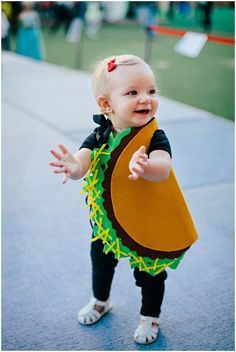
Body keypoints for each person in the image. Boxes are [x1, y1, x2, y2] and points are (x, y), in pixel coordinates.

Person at [49, 54, 198, 345]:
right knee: (100, 260)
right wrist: (73, 167)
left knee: (150, 271)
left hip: (145, 219)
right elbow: (83, 162)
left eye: (151, 91)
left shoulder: (154, 137)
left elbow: (163, 167)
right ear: (106, 105)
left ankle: (149, 315)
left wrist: (146, 167)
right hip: (108, 221)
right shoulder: (100, 135)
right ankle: (100, 301)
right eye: (133, 92)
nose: (146, 99)